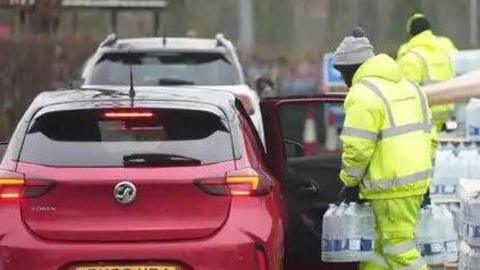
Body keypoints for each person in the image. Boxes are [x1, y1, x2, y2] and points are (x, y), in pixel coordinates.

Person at [334, 28, 431, 270]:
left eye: (343, 73)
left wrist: (349, 182)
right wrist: (426, 183)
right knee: (375, 252)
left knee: (399, 250)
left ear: (353, 67)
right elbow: (428, 136)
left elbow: (357, 149)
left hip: (389, 188)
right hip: (411, 182)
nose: (344, 81)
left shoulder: (362, 93)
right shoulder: (411, 88)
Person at [397, 13, 457, 144]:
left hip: (426, 115)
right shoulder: (446, 49)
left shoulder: (410, 56)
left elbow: (405, 92)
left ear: (411, 33)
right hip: (450, 112)